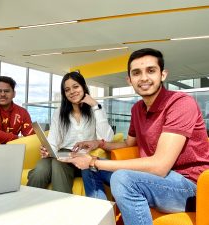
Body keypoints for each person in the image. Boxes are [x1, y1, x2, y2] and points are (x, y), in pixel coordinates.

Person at [66, 48, 209, 225]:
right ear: (129, 79)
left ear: (162, 75)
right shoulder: (137, 109)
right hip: (151, 179)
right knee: (90, 169)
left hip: (191, 187)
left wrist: (94, 161)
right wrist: (98, 143)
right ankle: (103, 221)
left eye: (151, 70)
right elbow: (128, 143)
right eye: (136, 73)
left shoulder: (180, 103)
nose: (143, 78)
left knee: (121, 178)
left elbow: (160, 166)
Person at [27, 71, 114, 193]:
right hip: (63, 154)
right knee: (41, 168)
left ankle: (62, 208)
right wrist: (48, 150)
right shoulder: (59, 112)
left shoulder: (96, 109)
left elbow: (107, 139)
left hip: (84, 158)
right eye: (67, 90)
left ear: (83, 87)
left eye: (76, 86)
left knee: (56, 164)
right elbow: (53, 139)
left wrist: (95, 105)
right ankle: (27, 206)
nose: (72, 92)